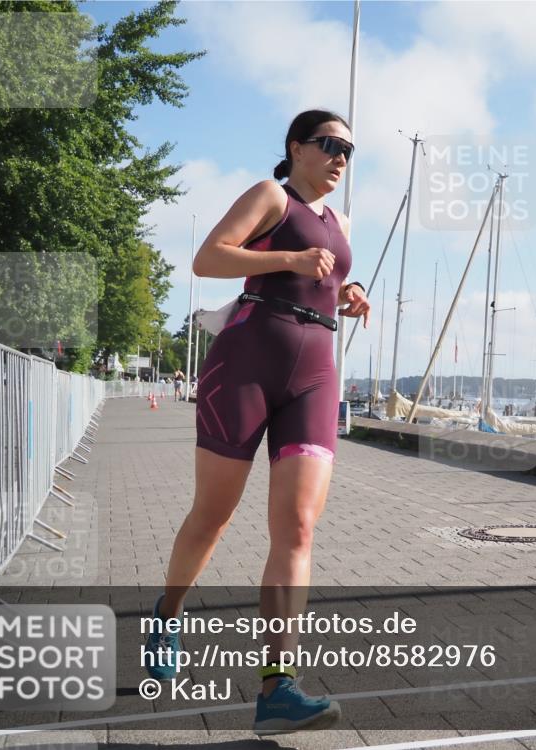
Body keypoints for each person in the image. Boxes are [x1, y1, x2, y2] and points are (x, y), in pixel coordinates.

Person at [142, 109, 370, 736]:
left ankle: (278, 686)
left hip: (317, 372)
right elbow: (209, 260)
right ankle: (169, 613)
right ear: (296, 147)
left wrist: (350, 294)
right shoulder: (273, 195)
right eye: (329, 144)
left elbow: (322, 279)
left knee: (297, 527)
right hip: (245, 363)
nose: (340, 157)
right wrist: (291, 258)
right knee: (212, 516)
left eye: (349, 149)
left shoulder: (341, 223)